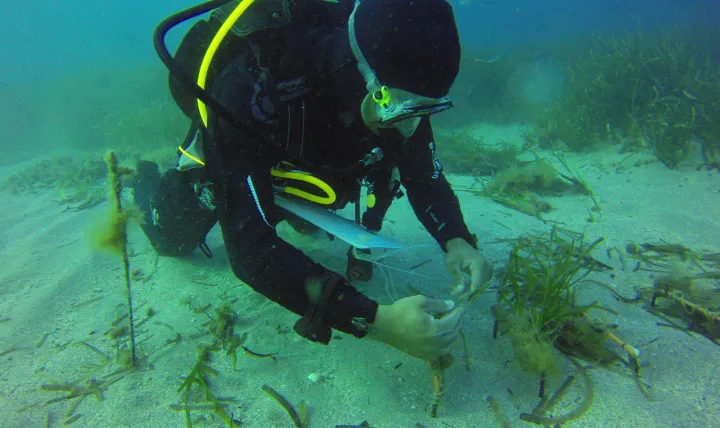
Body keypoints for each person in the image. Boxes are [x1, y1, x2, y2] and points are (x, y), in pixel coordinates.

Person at [139, 0, 493, 361]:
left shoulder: (401, 89)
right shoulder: (250, 88)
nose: (410, 127)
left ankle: (291, 200)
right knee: (168, 236)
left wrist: (457, 239)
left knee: (313, 211)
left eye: (427, 109)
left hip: (309, 159)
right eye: (400, 108)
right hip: (247, 146)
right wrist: (377, 320)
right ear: (361, 73)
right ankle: (145, 181)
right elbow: (250, 250)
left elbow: (423, 176)